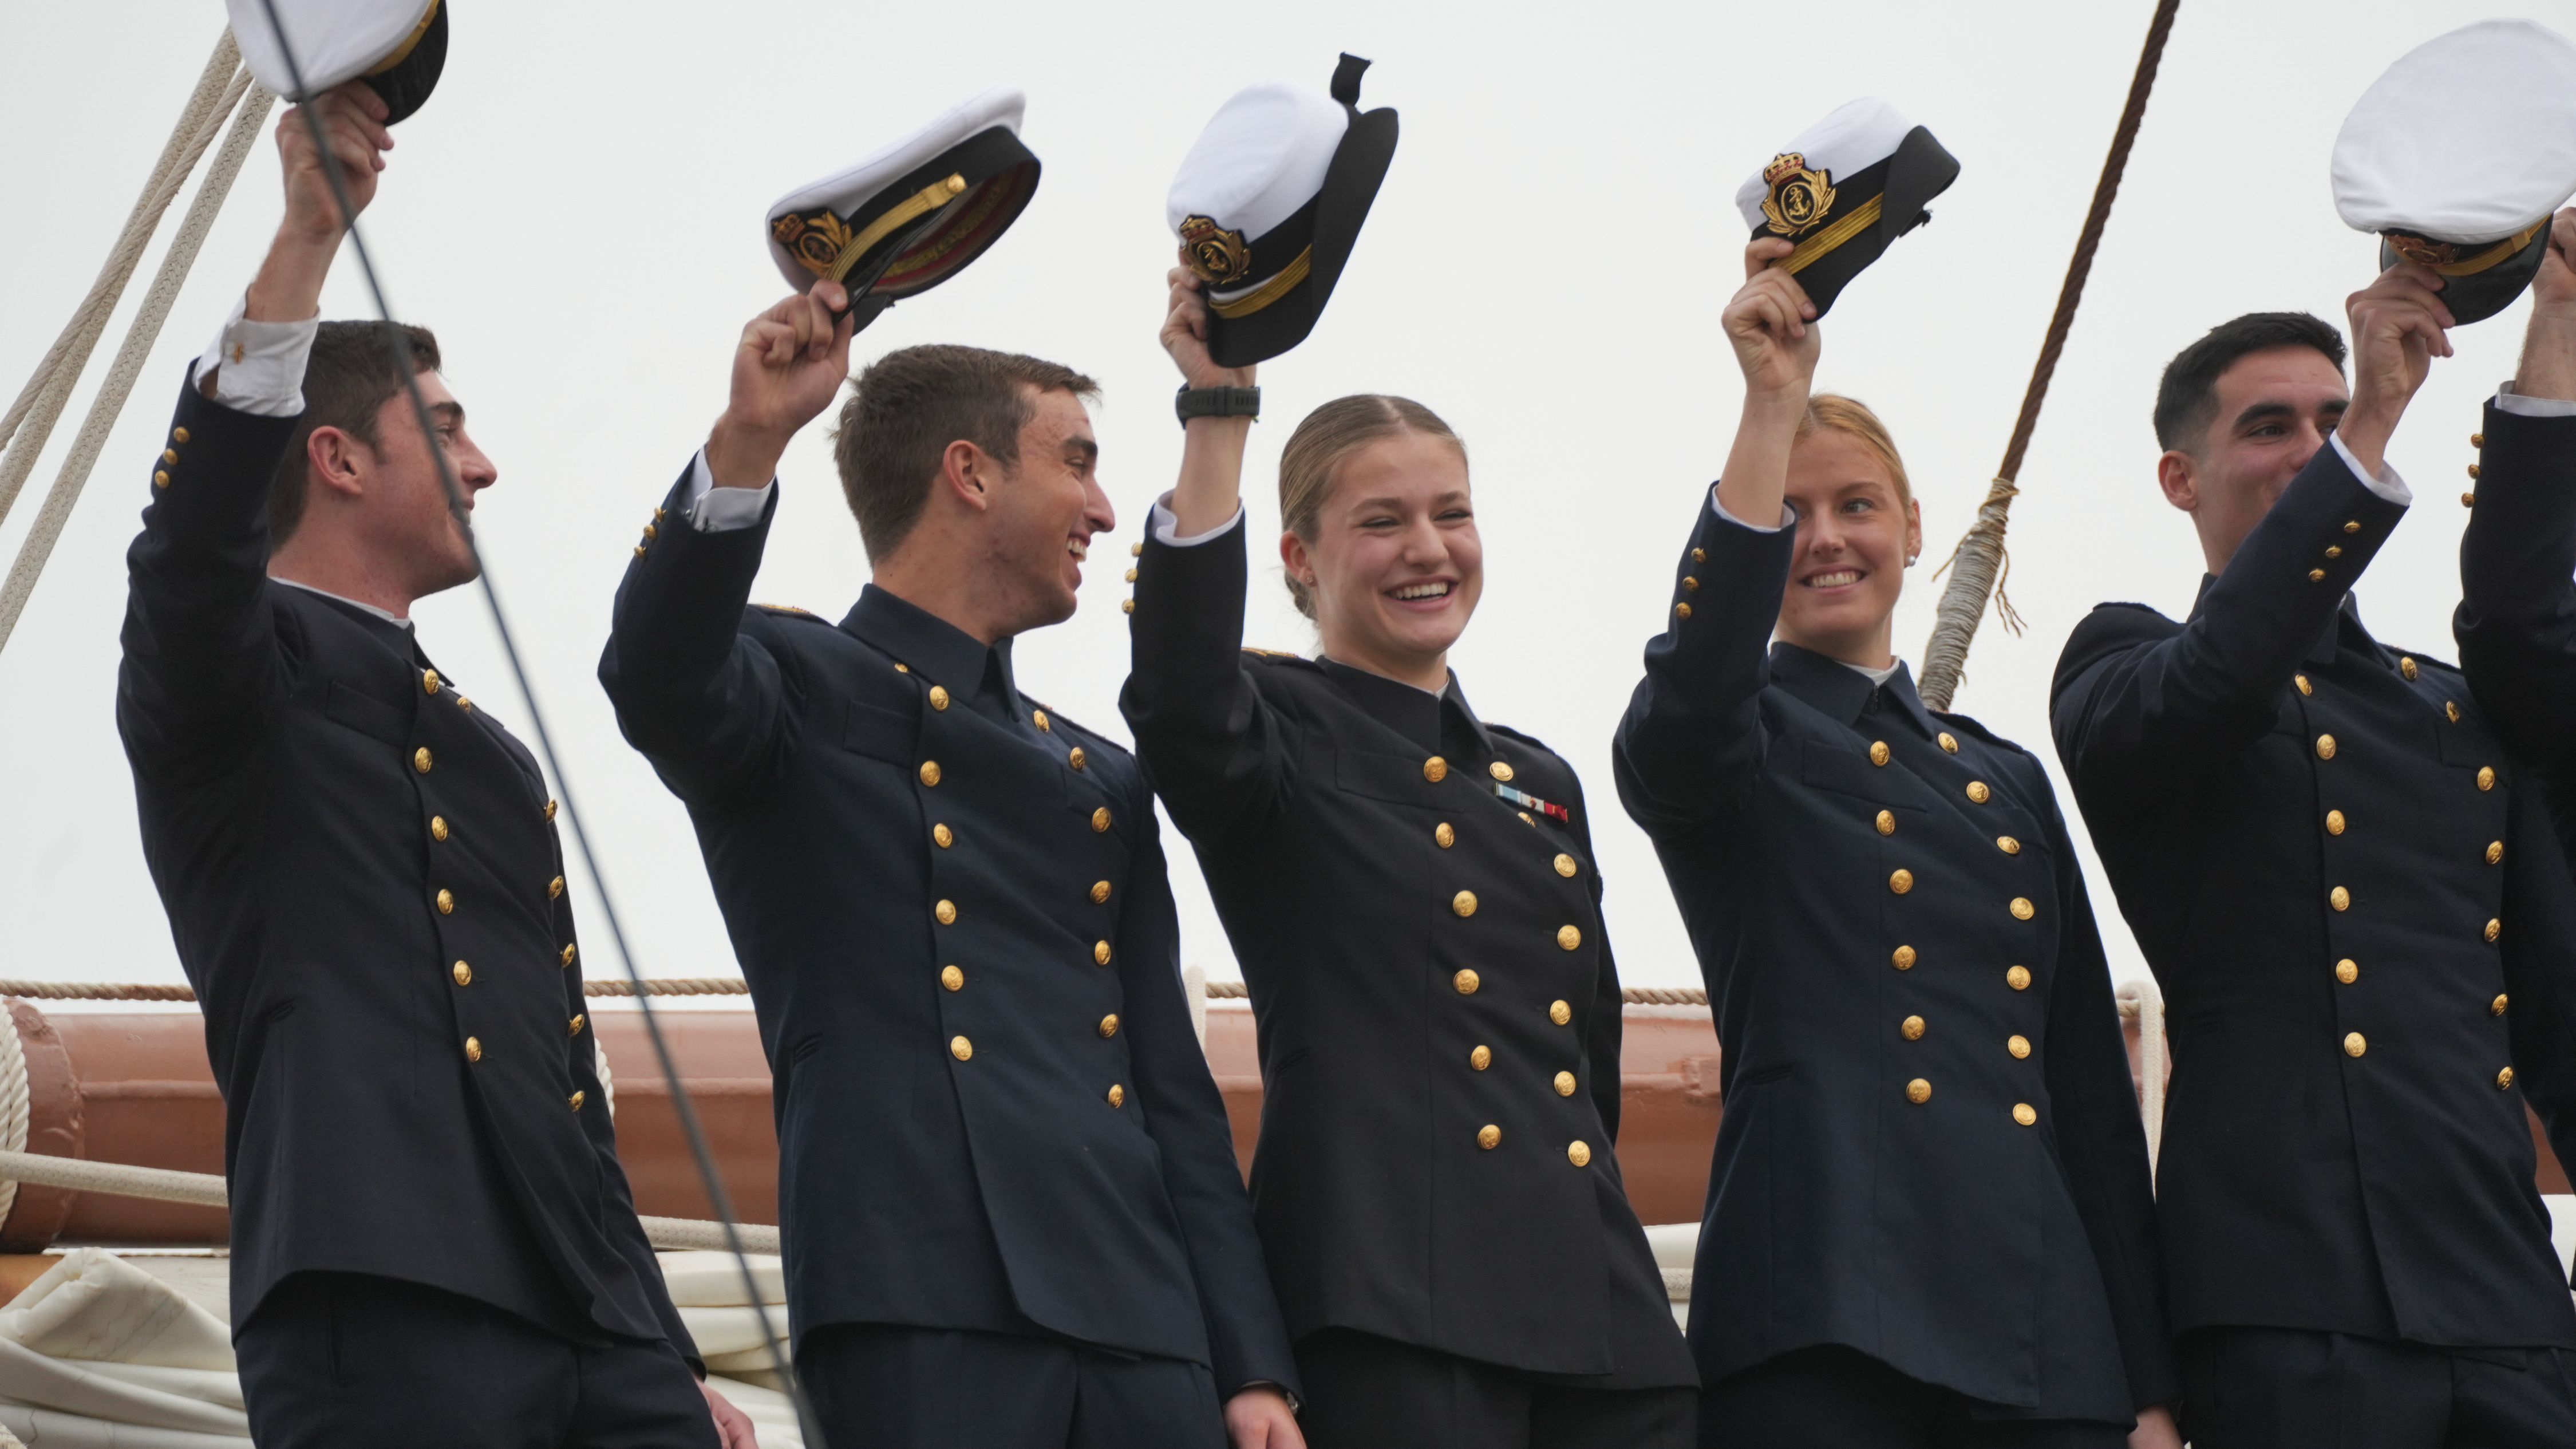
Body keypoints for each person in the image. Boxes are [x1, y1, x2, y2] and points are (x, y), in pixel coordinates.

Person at [116, 84, 746, 1447]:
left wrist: (663, 1343)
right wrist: (301, 241)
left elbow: (563, 1081)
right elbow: (194, 543)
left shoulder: (491, 759)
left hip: (598, 1331)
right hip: (378, 1291)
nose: (487, 464)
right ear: (335, 457)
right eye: (447, 427)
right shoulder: (231, 681)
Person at [596, 274, 1301, 1449]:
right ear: (971, 474)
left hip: (1144, 1330)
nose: (1105, 507)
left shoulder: (1100, 778)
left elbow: (1172, 1097)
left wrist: (1250, 1366)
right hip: (922, 1301)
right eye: (1075, 462)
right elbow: (657, 672)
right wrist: (751, 439)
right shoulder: (791, 688)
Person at [1607, 237, 2177, 1448]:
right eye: (1792, 514)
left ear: (1915, 528)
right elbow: (1693, 696)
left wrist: (2150, 1382)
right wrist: (1770, 406)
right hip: (1824, 1308)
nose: (1826, 539)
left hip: (2043, 1331)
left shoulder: (2004, 777)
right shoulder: (1732, 738)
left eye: (1856, 506)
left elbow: (2083, 1090)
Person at [1119, 267, 1699, 1449]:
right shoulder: (1268, 726)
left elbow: (1581, 1054)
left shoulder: (1537, 781)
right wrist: (1220, 413)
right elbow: (1179, 694)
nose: (1428, 548)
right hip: (1390, 1293)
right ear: (1299, 556)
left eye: (1453, 512)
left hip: (1595, 1306)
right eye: (1382, 522)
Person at [2050, 258, 2576, 1443]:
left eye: (2332, 422)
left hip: (2506, 1300)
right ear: (2181, 479)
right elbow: (2223, 678)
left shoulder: (2452, 712)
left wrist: (2553, 318)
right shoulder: (2122, 664)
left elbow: (2558, 1011)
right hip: (2286, 1307)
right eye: (2270, 428)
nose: (2309, 448)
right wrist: (2378, 424)